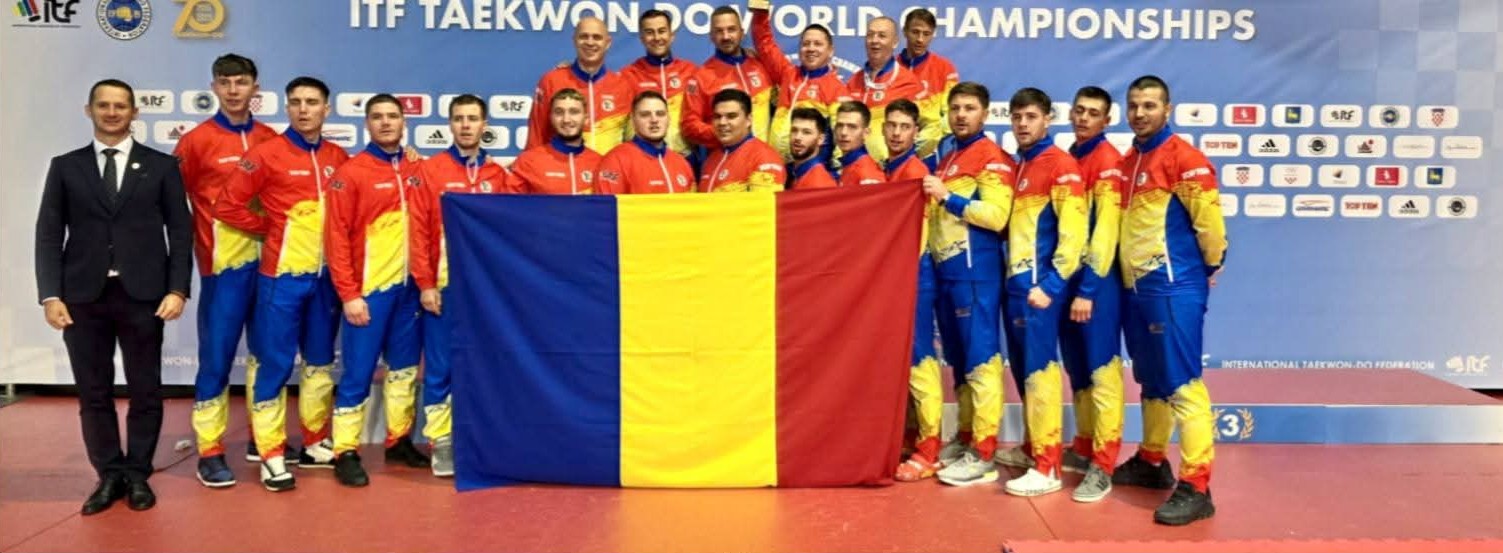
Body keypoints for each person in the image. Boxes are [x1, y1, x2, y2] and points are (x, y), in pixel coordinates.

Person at [35, 78, 192, 514]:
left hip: (144, 296)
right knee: (94, 391)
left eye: (120, 106)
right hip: (82, 297)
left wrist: (178, 288)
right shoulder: (65, 167)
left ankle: (138, 473)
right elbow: (48, 234)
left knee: (145, 390)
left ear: (134, 112)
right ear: (89, 110)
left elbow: (181, 233)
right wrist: (50, 295)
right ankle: (108, 474)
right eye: (103, 105)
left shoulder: (162, 166)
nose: (111, 112)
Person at [216, 76, 351, 491]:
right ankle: (271, 453)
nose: (303, 109)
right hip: (281, 279)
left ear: (327, 109)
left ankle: (314, 441)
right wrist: (273, 228)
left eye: (312, 102)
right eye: (296, 102)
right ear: (287, 107)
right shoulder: (265, 154)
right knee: (274, 364)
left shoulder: (338, 156)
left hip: (325, 280)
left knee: (320, 362)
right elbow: (227, 205)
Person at [1113, 75, 1226, 526]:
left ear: (1168, 109)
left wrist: (1211, 264)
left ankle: (1197, 486)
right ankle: (1151, 460)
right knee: (1152, 379)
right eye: (1134, 105)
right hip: (1137, 289)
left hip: (1173, 287)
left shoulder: (1185, 158)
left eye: (1149, 105)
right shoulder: (1128, 161)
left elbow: (1210, 226)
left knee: (1182, 382)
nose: (1140, 113)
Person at [173, 53, 279, 487]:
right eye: (225, 82)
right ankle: (210, 449)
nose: (234, 90)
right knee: (216, 358)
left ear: (256, 88)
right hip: (221, 270)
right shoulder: (195, 142)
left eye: (241, 82)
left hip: (271, 267)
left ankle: (263, 439)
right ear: (213, 87)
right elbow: (171, 206)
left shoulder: (272, 139)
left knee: (267, 355)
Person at [324, 94, 431, 487]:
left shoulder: (419, 168)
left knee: (404, 370)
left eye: (393, 116)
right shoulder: (351, 173)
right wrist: (349, 294)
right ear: (367, 124)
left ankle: (398, 440)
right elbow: (335, 237)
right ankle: (345, 451)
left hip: (410, 293)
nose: (386, 123)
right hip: (369, 293)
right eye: (377, 117)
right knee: (358, 372)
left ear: (404, 122)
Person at [411, 94, 516, 478]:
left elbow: (506, 234)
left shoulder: (498, 176)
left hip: (485, 292)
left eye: (473, 119)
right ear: (450, 124)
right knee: (440, 365)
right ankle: (440, 441)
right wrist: (426, 284)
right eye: (459, 119)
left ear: (484, 125)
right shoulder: (431, 171)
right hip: (444, 286)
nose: (466, 125)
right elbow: (419, 230)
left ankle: (482, 437)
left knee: (486, 364)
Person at [920, 82, 1013, 487]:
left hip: (977, 273)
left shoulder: (991, 157)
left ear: (985, 114)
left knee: (981, 361)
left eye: (969, 108)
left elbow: (997, 216)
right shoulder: (948, 155)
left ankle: (984, 453)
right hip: (947, 273)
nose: (961, 115)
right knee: (960, 362)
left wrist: (948, 198)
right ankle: (966, 438)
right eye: (955, 107)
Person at [997, 88, 1087, 498]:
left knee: (1040, 374)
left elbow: (1074, 236)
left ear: (1048, 119)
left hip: (1039, 291)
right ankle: (1034, 448)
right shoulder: (1018, 165)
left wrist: (1050, 286)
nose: (1022, 124)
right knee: (1023, 371)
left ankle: (1047, 467)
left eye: (1031, 116)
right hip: (1014, 287)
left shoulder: (1061, 165)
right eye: (1017, 117)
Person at [1058, 85, 1127, 503]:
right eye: (1079, 111)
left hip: (1096, 286)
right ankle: (1084, 447)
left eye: (1093, 113)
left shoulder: (1107, 162)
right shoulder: (1073, 155)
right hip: (1069, 281)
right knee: (1079, 369)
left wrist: (1087, 289)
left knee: (1102, 373)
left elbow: (1105, 232)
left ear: (1107, 120)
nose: (1084, 118)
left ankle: (1104, 464)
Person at [883, 99, 943, 482]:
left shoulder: (916, 172)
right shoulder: (887, 169)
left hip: (915, 278)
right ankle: (909, 439)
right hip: (893, 279)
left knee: (920, 362)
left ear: (916, 132)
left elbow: (918, 235)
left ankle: (929, 451)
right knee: (901, 364)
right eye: (891, 125)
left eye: (904, 126)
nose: (896, 133)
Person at [748, 0, 850, 160]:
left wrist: (834, 168)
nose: (811, 49)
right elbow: (764, 44)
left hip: (812, 167)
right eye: (806, 44)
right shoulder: (787, 74)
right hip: (779, 165)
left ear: (830, 51)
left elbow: (842, 136)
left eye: (818, 44)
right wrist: (760, 11)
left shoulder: (837, 89)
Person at [525, 17, 630, 154]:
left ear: (608, 42)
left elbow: (633, 142)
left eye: (597, 37)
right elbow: (536, 137)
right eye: (584, 36)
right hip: (563, 165)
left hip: (611, 167)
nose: (590, 42)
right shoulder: (552, 81)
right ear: (574, 40)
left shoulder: (624, 85)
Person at [682, 6, 773, 152]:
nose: (725, 36)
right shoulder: (701, 77)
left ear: (742, 33)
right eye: (719, 31)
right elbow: (689, 126)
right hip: (725, 159)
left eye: (731, 29)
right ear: (711, 36)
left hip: (764, 156)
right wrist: (726, 132)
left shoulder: (760, 65)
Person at [846, 16, 933, 161]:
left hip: (891, 171)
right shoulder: (853, 82)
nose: (874, 40)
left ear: (895, 42)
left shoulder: (910, 83)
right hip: (855, 168)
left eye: (882, 36)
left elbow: (932, 127)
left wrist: (901, 158)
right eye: (870, 35)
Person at [618, 9, 698, 155]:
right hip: (642, 158)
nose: (656, 37)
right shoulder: (627, 75)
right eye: (650, 32)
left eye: (662, 31)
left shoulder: (691, 72)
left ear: (671, 35)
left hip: (685, 158)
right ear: (642, 38)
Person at [596, 91, 696, 194]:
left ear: (668, 119)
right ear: (633, 120)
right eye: (645, 115)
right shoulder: (615, 160)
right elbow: (606, 204)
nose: (654, 120)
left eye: (660, 114)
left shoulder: (682, 164)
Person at [512, 89, 603, 194]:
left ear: (586, 119)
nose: (566, 119)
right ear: (551, 118)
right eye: (559, 112)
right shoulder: (528, 161)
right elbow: (510, 202)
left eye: (574, 112)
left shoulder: (600, 163)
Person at [698, 89, 785, 192]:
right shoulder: (712, 158)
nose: (722, 122)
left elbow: (765, 202)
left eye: (731, 116)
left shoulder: (764, 157)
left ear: (749, 120)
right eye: (717, 116)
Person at [897, 8, 957, 158]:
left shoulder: (945, 68)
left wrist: (922, 142)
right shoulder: (890, 67)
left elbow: (950, 114)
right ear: (905, 32)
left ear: (932, 34)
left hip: (929, 152)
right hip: (892, 146)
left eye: (926, 34)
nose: (920, 39)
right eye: (915, 32)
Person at [785, 107, 838, 189]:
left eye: (806, 132)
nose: (797, 137)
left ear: (820, 139)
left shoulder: (820, 184)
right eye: (794, 130)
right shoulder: (789, 171)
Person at [832, 101, 884, 187]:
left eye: (852, 127)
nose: (843, 132)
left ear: (866, 133)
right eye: (840, 125)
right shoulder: (849, 164)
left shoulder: (867, 174)